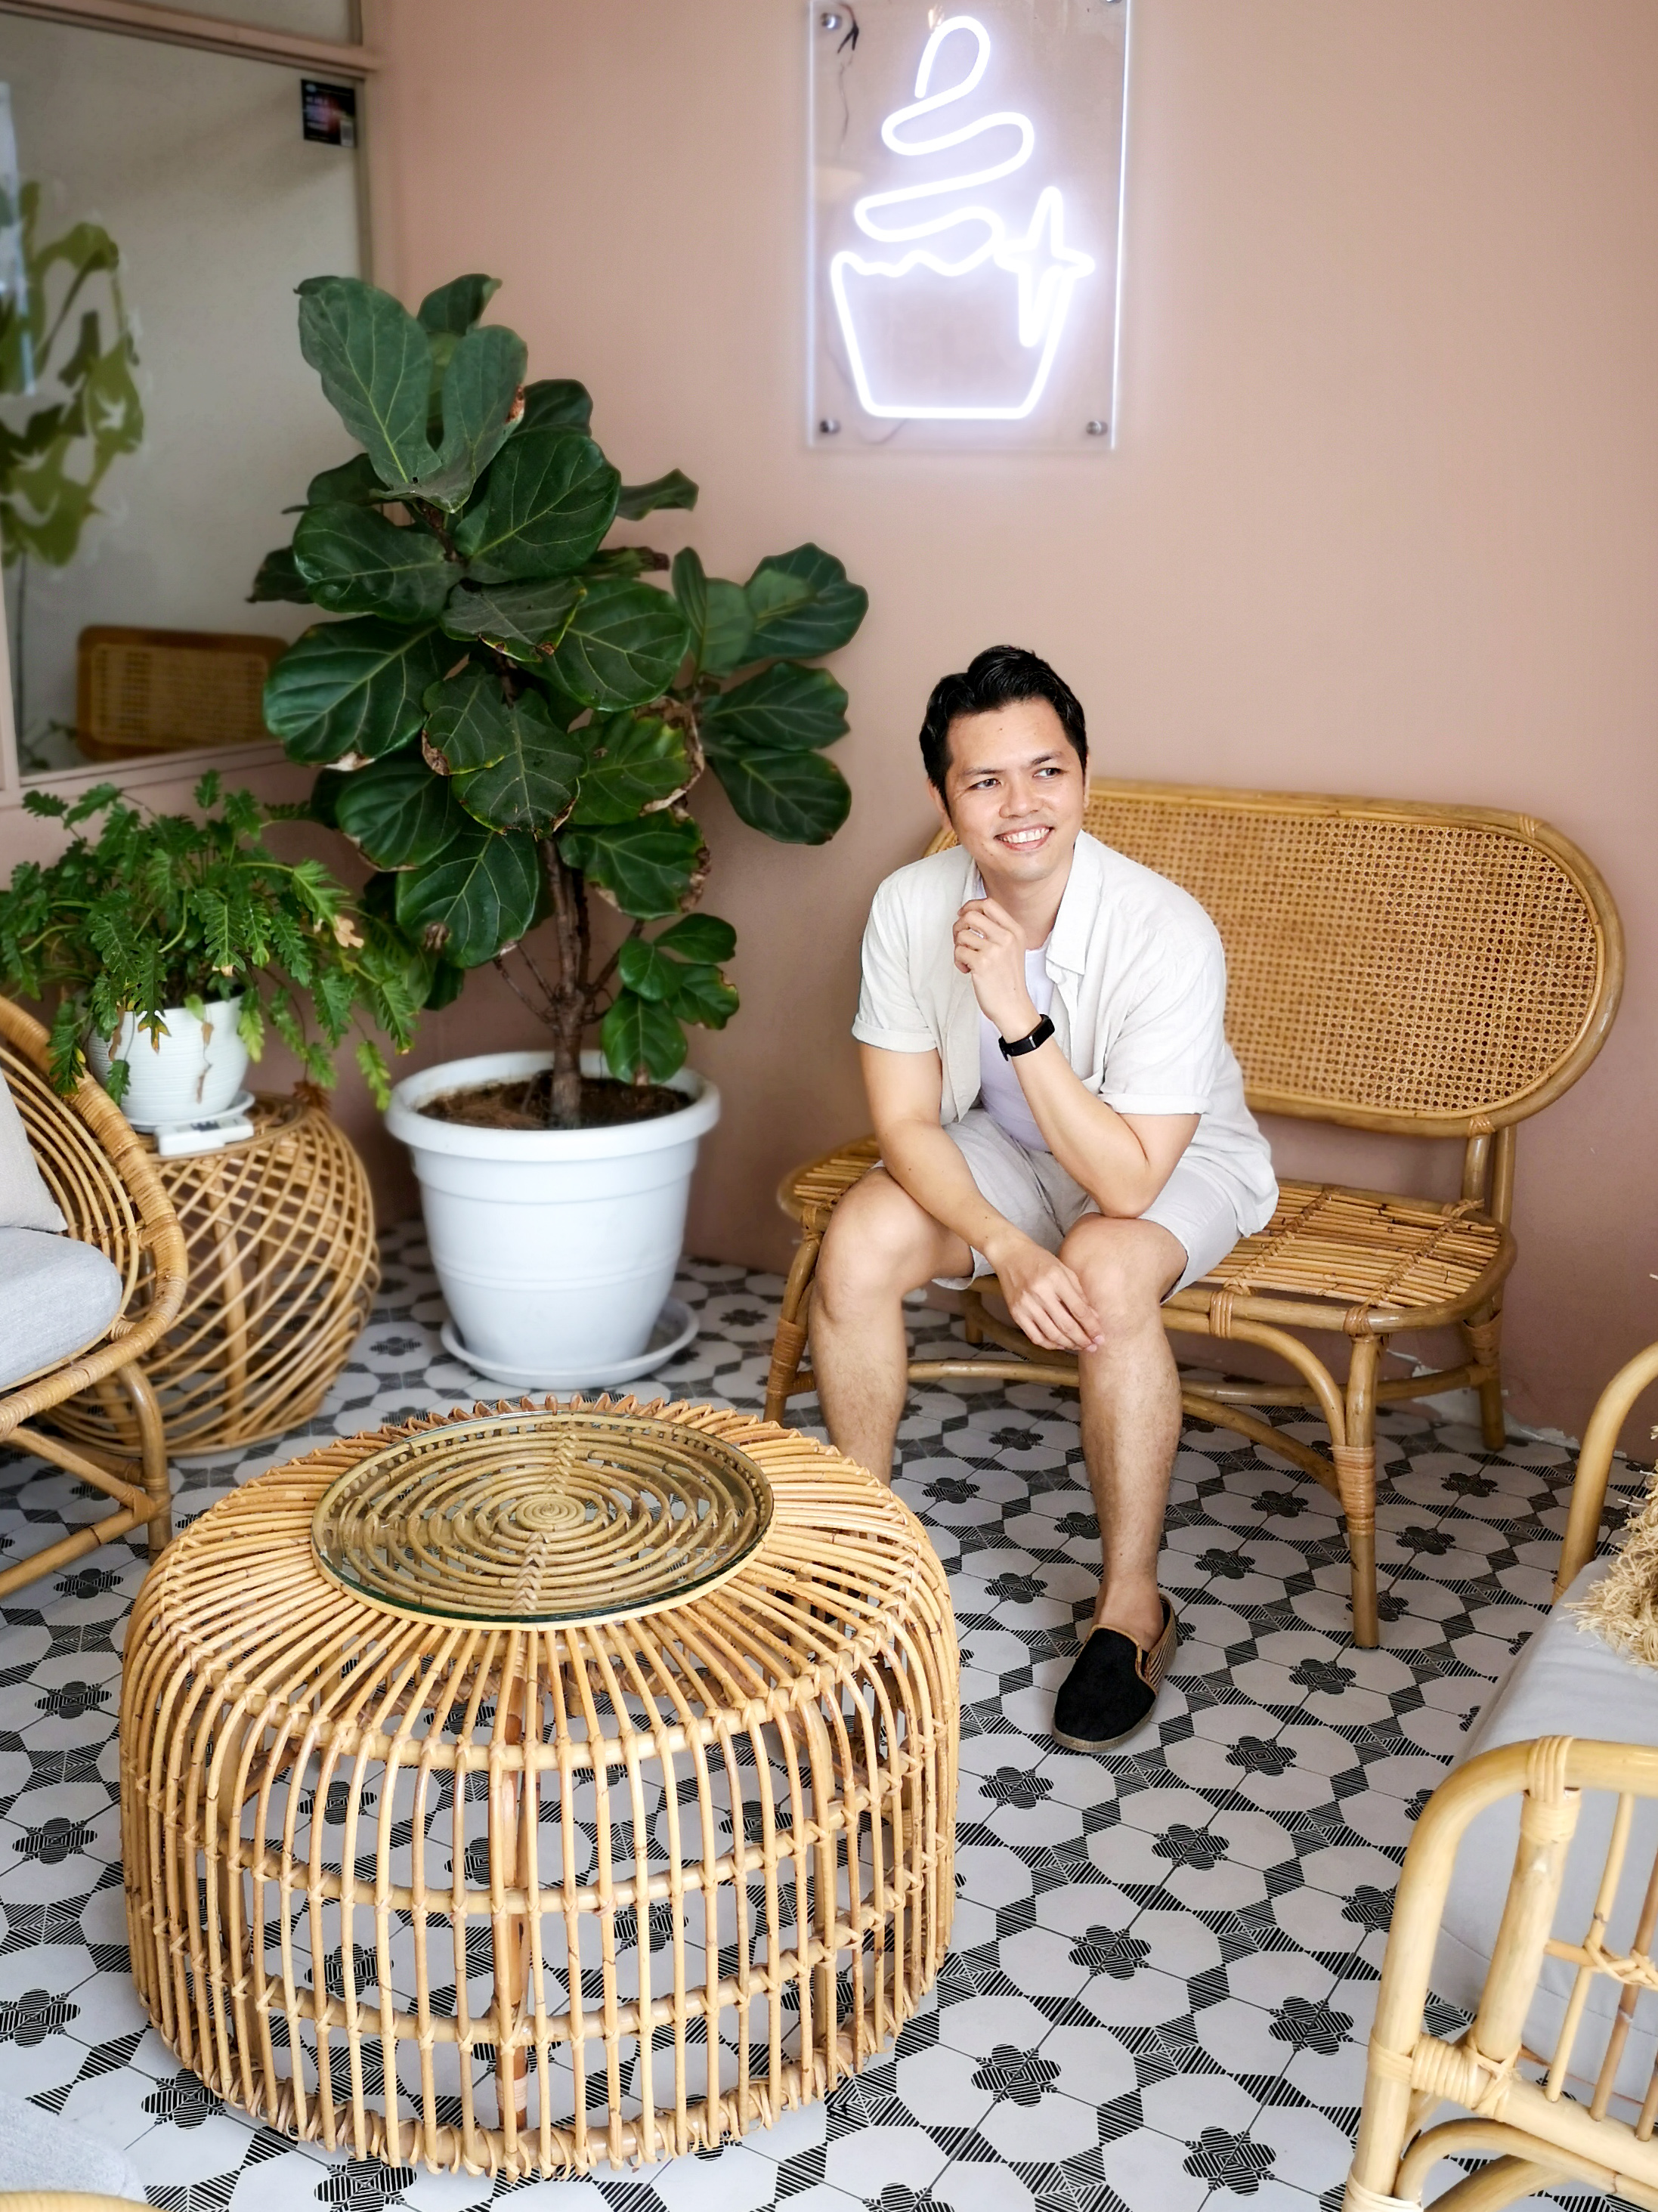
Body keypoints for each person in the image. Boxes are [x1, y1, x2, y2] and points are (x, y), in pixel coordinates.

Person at [812, 645, 1278, 1752]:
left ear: (1084, 777)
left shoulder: (1163, 927)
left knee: (1108, 1267)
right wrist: (1003, 1246)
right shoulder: (909, 903)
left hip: (1174, 1160)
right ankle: (861, 1561)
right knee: (858, 1241)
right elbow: (906, 1124)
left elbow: (1127, 1181)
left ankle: (1132, 1607)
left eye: (1046, 771)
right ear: (945, 800)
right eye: (985, 781)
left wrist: (1014, 1007)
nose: (1021, 806)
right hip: (1008, 1154)